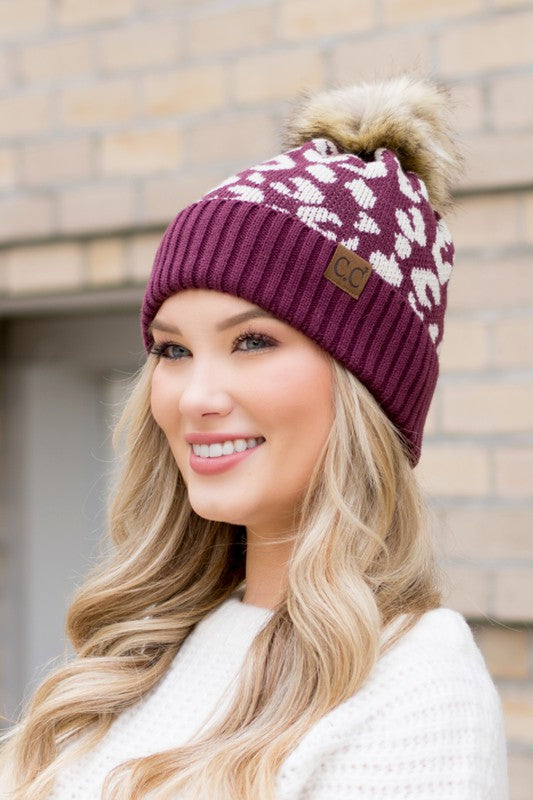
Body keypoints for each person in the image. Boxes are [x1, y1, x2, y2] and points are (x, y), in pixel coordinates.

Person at [0, 74, 508, 799]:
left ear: (363, 387)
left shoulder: (415, 680)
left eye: (252, 343)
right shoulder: (148, 649)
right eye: (173, 351)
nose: (196, 398)